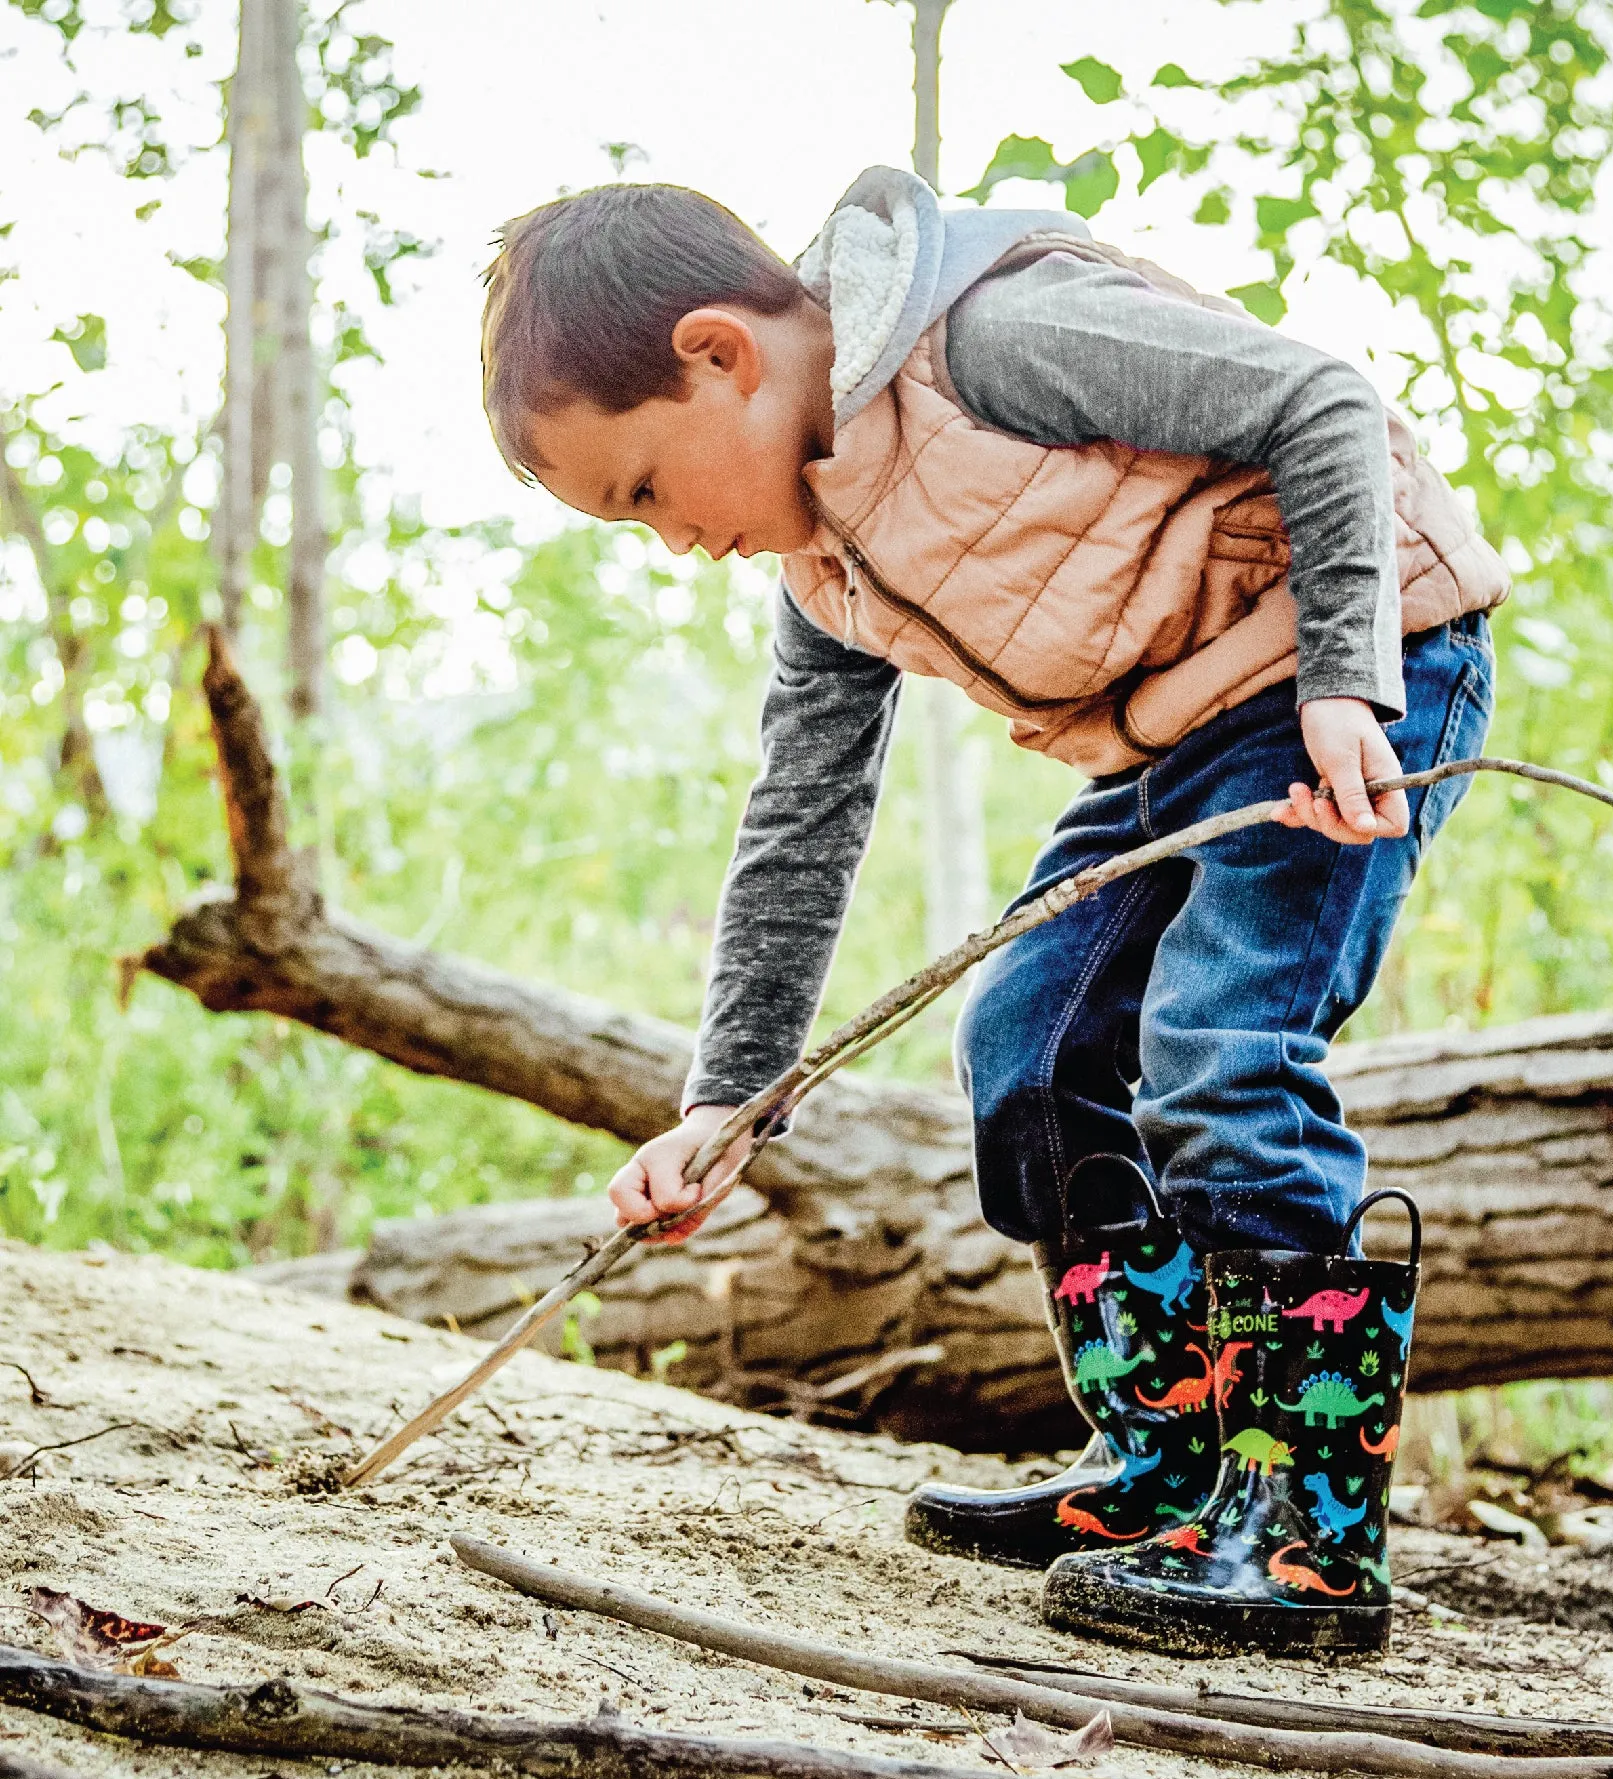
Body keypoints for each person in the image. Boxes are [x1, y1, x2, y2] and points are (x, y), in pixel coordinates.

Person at [480, 168, 1506, 1656]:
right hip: (1179, 730)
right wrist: (730, 1102)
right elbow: (801, 817)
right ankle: (1165, 1459)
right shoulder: (820, 569)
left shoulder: (991, 339)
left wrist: (1350, 672)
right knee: (1026, 1044)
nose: (669, 539)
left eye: (644, 488)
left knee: (1222, 1046)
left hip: (1355, 667)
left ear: (720, 355)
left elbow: (1322, 407)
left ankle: (1305, 1538)